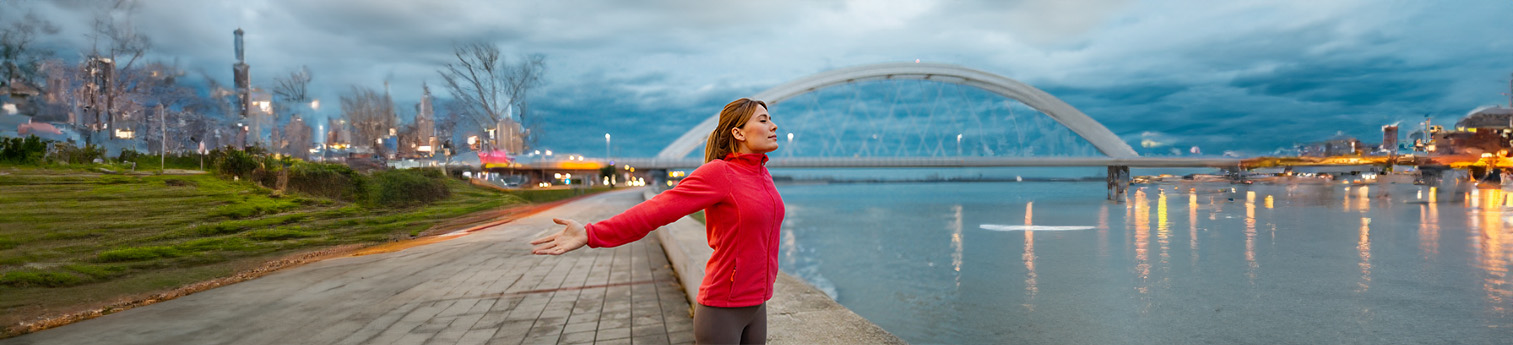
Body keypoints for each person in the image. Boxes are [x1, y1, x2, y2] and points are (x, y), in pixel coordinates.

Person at [531, 98, 783, 344]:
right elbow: (656, 210)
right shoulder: (719, 173)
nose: (773, 126)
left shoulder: (763, 175)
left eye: (771, 119)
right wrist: (591, 233)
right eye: (763, 120)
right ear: (738, 133)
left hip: (758, 305)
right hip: (722, 310)